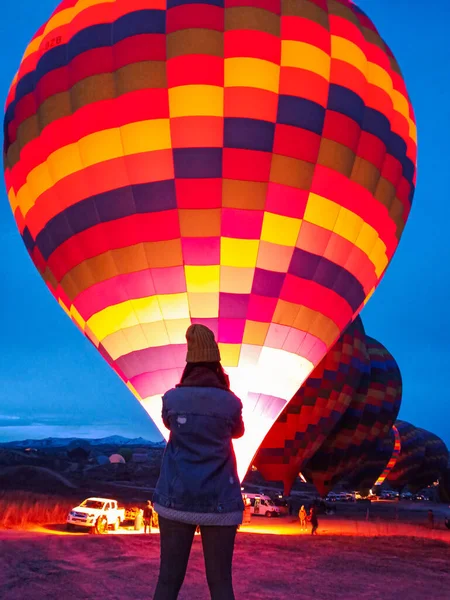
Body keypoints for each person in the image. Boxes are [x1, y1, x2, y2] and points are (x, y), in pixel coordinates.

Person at [152, 324, 245, 600]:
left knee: (168, 581)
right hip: (220, 502)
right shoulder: (231, 402)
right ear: (216, 363)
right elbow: (238, 432)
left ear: (188, 364)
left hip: (175, 500)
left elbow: (170, 423)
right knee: (220, 584)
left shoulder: (172, 398)